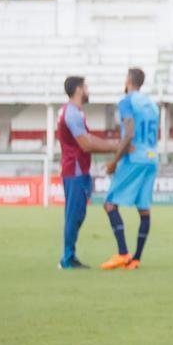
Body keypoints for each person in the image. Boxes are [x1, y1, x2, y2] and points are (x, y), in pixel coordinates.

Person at [101, 68, 160, 271]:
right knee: (144, 208)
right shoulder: (152, 104)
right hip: (152, 157)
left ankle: (123, 253)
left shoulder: (126, 101)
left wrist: (114, 161)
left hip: (134, 157)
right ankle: (136, 259)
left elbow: (129, 133)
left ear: (128, 80)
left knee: (109, 204)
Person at [55, 76, 116, 270]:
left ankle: (68, 256)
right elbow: (86, 143)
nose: (89, 90)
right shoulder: (72, 113)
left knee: (76, 214)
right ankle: (67, 258)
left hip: (76, 169)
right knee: (74, 215)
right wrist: (116, 146)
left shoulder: (72, 112)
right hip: (75, 170)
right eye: (87, 87)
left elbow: (87, 140)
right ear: (79, 90)